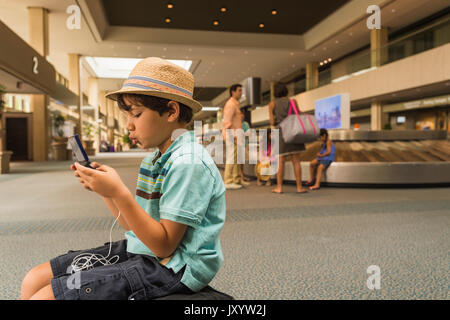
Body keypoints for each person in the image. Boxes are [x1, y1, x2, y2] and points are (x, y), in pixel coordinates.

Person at [21, 57, 226, 300]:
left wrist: (119, 192)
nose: (128, 125)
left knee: (45, 297)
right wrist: (106, 192)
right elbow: (135, 227)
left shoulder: (188, 162)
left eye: (136, 114)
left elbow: (164, 245)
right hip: (146, 250)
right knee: (34, 279)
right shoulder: (154, 159)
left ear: (171, 111)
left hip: (175, 267)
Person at [269, 82, 308, 194]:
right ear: (286, 91)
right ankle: (299, 187)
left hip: (281, 132)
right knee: (296, 160)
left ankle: (279, 187)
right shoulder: (292, 101)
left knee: (281, 161)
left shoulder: (272, 104)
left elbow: (272, 121)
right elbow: (298, 114)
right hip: (293, 131)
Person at [222, 84, 244, 190]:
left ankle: (236, 179)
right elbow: (227, 122)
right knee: (231, 158)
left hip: (236, 135)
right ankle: (228, 181)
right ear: (233, 92)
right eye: (239, 90)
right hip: (232, 135)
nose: (241, 92)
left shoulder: (236, 104)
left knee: (236, 158)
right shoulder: (230, 104)